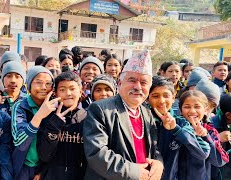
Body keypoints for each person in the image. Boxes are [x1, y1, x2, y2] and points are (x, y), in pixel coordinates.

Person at [83, 49, 164, 179]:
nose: (138, 87)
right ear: (120, 83)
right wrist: (133, 171)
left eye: (143, 82)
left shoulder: (147, 112)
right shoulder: (100, 109)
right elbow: (96, 153)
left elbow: (155, 149)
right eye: (132, 80)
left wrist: (159, 164)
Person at [148, 76, 211, 180]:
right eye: (155, 96)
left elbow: (203, 152)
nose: (162, 101)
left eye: (166, 96)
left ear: (173, 98)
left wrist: (176, 129)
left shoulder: (181, 123)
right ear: (148, 98)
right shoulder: (144, 121)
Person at [37, 71, 87, 180]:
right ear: (55, 93)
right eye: (62, 90)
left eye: (72, 89)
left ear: (80, 91)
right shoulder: (47, 117)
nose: (68, 93)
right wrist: (54, 125)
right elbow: (44, 155)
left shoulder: (88, 118)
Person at [11, 66, 55, 180]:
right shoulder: (20, 106)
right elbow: (19, 140)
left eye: (48, 83)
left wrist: (43, 171)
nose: (43, 87)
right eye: (38, 83)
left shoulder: (54, 107)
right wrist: (40, 115)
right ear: (28, 85)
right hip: (22, 166)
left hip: (44, 168)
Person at [178, 90, 228, 180]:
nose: (192, 111)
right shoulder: (176, 129)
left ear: (205, 110)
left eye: (197, 107)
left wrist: (206, 136)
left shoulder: (210, 131)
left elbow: (218, 161)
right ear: (180, 110)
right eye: (187, 107)